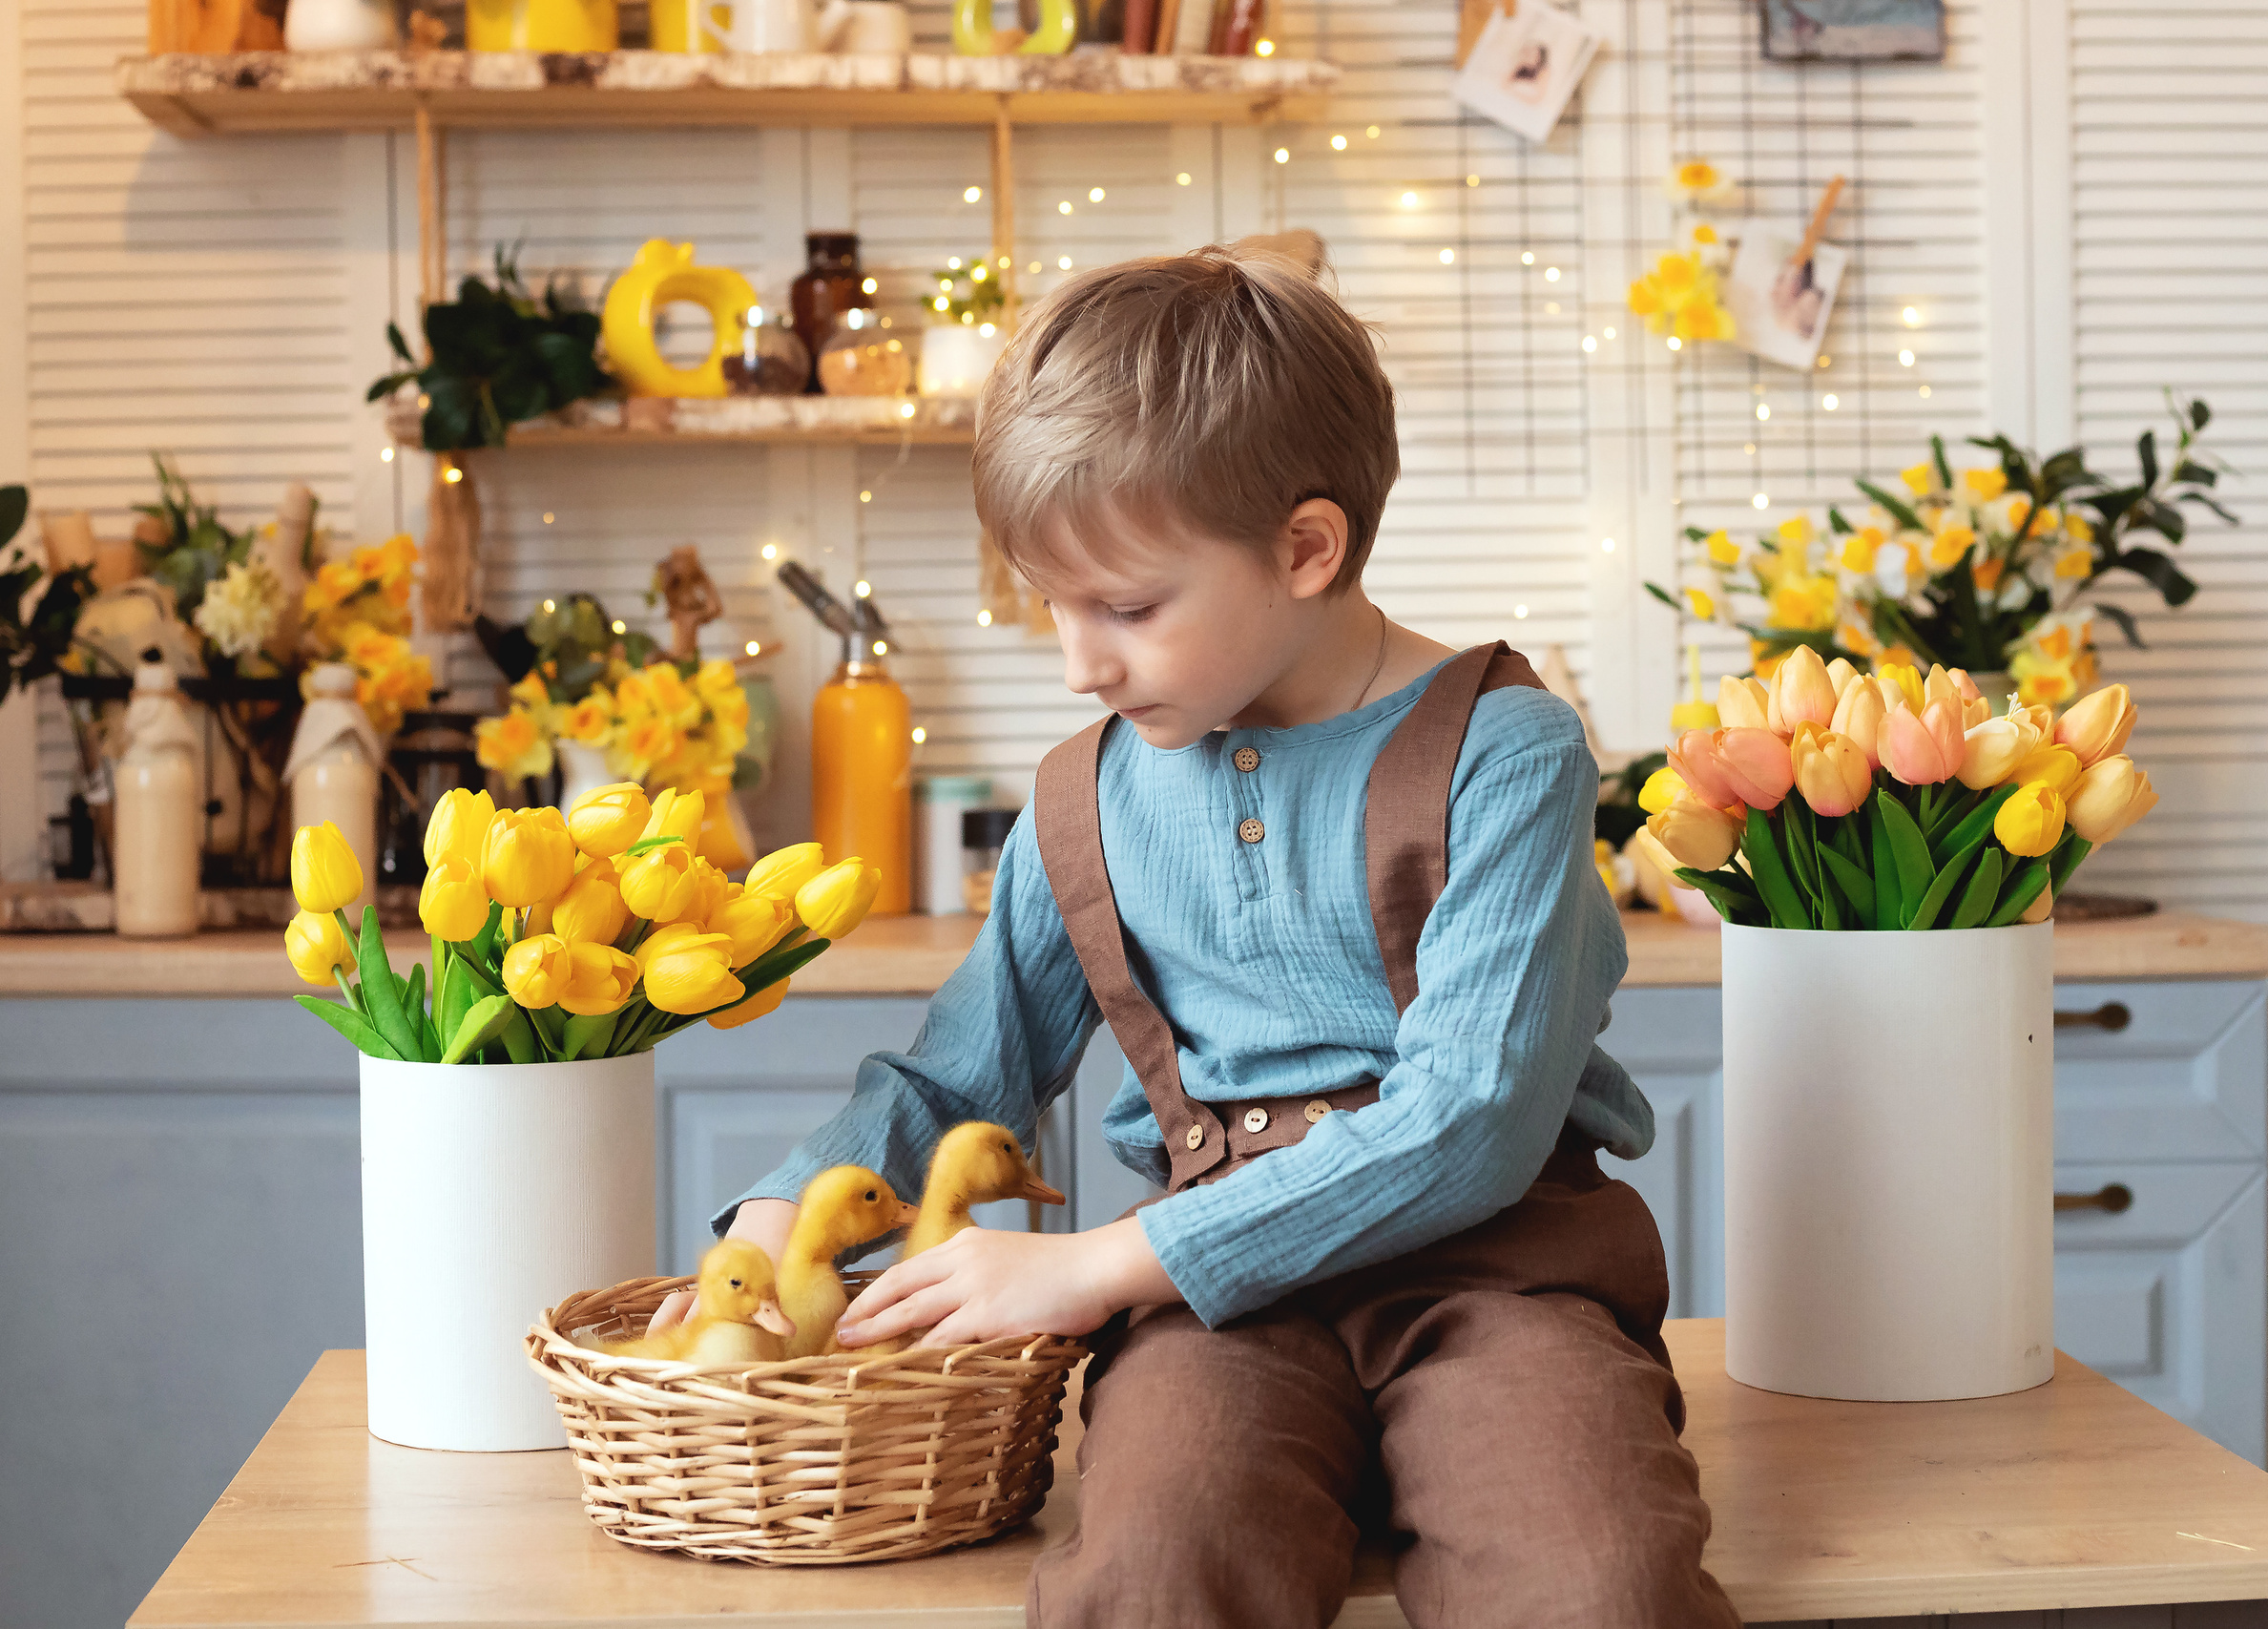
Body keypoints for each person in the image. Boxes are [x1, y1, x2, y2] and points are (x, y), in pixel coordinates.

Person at [688, 240, 1740, 1629]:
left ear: (1307, 548)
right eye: (1053, 606)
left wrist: (1089, 1268)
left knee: (1600, 1583)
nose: (1081, 662)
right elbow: (957, 1077)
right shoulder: (1088, 793)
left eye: (1126, 608)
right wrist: (781, 1219)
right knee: (1150, 1573)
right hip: (1216, 1317)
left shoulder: (1508, 750)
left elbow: (1473, 1120)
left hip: (1504, 1281)